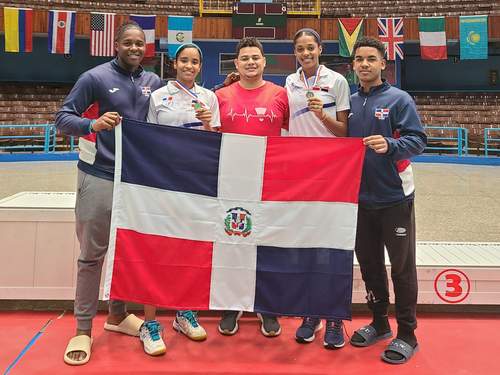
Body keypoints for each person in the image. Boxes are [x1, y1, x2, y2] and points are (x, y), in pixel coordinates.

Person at [55, 21, 163, 365]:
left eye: (139, 43)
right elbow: (61, 118)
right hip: (99, 176)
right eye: (128, 42)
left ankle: (116, 316)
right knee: (92, 255)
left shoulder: (153, 82)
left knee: (126, 251)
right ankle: (83, 330)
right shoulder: (94, 78)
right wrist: (92, 124)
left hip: (136, 179)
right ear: (115, 44)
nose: (134, 48)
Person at [347, 36, 426, 364]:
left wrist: (391, 146)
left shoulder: (399, 99)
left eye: (370, 59)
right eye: (359, 60)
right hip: (359, 201)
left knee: (403, 269)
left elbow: (418, 140)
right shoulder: (349, 102)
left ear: (383, 64)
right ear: (353, 66)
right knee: (370, 267)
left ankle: (408, 333)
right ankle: (379, 323)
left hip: (394, 198)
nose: (364, 64)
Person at [143, 43, 220, 351]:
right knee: (155, 250)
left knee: (190, 249)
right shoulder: (158, 96)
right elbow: (147, 139)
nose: (189, 65)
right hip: (162, 183)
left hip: (195, 184)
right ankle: (150, 322)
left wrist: (206, 123)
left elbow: (215, 143)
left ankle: (183, 313)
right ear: (175, 64)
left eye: (195, 62)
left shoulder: (209, 98)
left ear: (200, 67)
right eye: (184, 60)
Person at [215, 36, 289, 337]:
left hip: (269, 179)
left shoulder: (280, 94)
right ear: (237, 63)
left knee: (267, 242)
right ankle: (232, 304)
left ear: (264, 61)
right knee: (232, 242)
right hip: (231, 180)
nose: (250, 62)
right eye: (244, 57)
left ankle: (267, 306)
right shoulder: (220, 95)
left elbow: (290, 134)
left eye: (255, 57)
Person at [285, 28, 350, 349]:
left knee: (330, 244)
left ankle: (334, 317)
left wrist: (321, 114)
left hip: (331, 171)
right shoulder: (290, 81)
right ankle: (311, 313)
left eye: (311, 47)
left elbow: (344, 131)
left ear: (320, 49)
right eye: (300, 49)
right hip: (300, 171)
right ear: (295, 52)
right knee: (306, 243)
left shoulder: (337, 81)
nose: (306, 53)